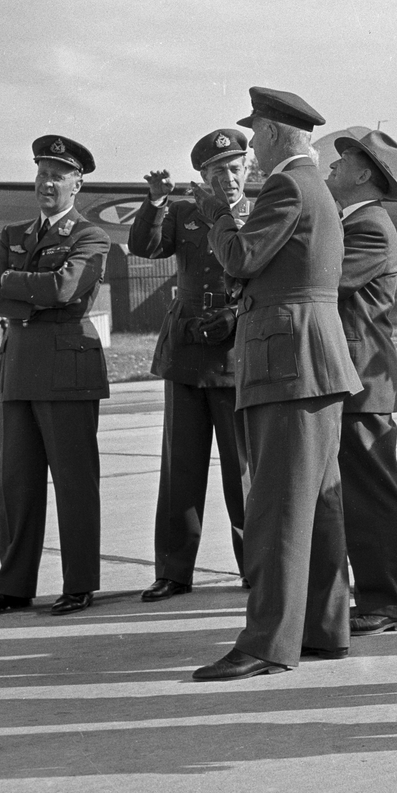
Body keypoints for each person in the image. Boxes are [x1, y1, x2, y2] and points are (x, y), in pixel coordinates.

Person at [189, 87, 361, 681]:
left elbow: (240, 258)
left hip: (287, 362)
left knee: (276, 509)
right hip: (309, 359)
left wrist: (215, 217)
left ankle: (266, 642)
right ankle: (321, 628)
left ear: (276, 132)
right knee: (317, 503)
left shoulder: (288, 185)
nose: (253, 146)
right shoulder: (312, 187)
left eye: (256, 133)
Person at [0, 135, 110, 617]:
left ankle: (79, 583)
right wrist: (31, 292)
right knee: (14, 482)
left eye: (58, 175)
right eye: (41, 173)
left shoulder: (91, 236)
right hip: (18, 370)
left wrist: (15, 284)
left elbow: (66, 287)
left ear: (77, 184)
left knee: (73, 480)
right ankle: (13, 585)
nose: (46, 182)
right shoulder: (13, 234)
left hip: (67, 368)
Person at [127, 129, 253, 601]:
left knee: (242, 471)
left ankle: (254, 566)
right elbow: (145, 246)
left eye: (236, 168)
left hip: (235, 358)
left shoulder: (260, 215)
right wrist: (156, 203)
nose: (229, 178)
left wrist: (234, 317)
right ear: (202, 177)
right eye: (218, 171)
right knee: (180, 469)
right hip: (185, 357)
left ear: (248, 170)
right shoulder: (184, 212)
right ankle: (173, 572)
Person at [324, 128, 397, 636]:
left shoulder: (370, 227)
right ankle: (380, 598)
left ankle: (388, 602)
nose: (332, 170)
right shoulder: (352, 223)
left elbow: (322, 279)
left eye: (341, 164)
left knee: (373, 498)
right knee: (360, 496)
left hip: (362, 380)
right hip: (350, 378)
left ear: (363, 173)